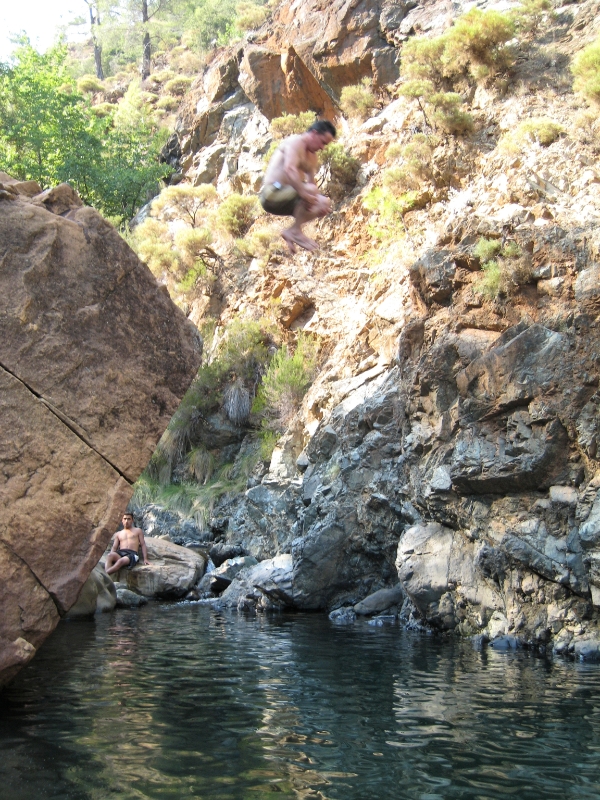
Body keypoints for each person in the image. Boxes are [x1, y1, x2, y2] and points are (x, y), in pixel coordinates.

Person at [259, 119, 337, 253]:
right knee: (311, 191)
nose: (323, 147)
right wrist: (304, 192)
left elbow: (313, 186)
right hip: (272, 192)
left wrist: (318, 206)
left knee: (324, 202)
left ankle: (294, 231)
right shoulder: (295, 142)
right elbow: (289, 169)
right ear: (314, 133)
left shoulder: (312, 158)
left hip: (287, 198)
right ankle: (295, 232)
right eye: (323, 142)